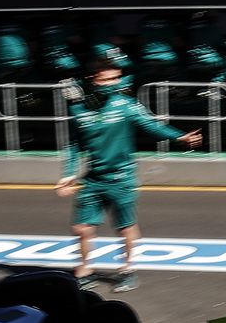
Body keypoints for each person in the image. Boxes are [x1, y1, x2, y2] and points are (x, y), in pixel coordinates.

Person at [56, 58, 203, 290]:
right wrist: (69, 174)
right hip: (93, 179)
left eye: (117, 78)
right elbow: (75, 145)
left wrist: (179, 137)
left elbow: (151, 125)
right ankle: (84, 272)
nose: (113, 83)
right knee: (81, 228)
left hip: (121, 178)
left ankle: (127, 270)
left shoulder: (125, 104)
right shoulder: (78, 109)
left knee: (125, 226)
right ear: (92, 80)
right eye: (107, 80)